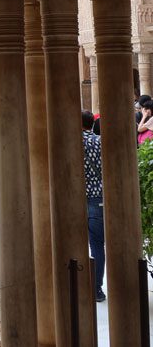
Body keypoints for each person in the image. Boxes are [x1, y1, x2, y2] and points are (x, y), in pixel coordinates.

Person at [82, 110, 106, 302]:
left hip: (77, 195)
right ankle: (97, 288)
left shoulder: (73, 141)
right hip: (99, 195)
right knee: (97, 244)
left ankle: (76, 284)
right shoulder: (99, 141)